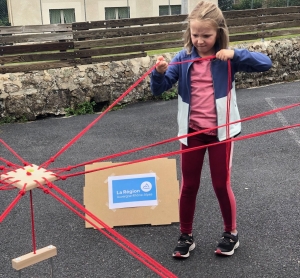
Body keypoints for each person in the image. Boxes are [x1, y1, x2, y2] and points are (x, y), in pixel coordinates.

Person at [150, 1, 272, 258]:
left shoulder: (225, 58)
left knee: (220, 184)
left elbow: (265, 63)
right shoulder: (183, 58)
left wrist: (236, 54)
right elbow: (159, 88)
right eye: (195, 35)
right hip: (191, 133)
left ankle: (231, 233)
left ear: (219, 33)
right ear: (189, 33)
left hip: (221, 134)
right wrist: (158, 73)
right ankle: (186, 235)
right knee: (189, 185)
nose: (200, 40)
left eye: (206, 35)